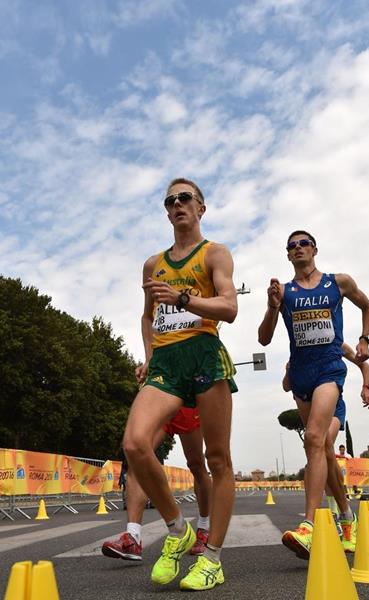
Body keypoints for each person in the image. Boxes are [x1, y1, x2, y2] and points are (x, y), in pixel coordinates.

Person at [123, 178, 238, 591]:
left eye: (184, 197)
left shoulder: (215, 253)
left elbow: (229, 307)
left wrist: (184, 299)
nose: (176, 205)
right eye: (169, 200)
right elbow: (146, 316)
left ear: (201, 207)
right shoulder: (152, 263)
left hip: (204, 354)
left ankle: (213, 559)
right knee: (136, 443)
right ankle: (178, 529)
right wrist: (150, 357)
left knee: (218, 459)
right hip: (167, 362)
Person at [258, 229, 369, 559]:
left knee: (313, 438)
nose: (298, 249)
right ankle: (346, 515)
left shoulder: (339, 282)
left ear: (315, 249)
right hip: (301, 374)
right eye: (291, 246)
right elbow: (264, 339)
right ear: (288, 255)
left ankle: (308, 526)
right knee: (321, 447)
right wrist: (271, 307)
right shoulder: (285, 291)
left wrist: (365, 339)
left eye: (303, 244)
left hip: (328, 368)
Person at [282, 341, 369, 550]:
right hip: (313, 406)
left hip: (334, 407)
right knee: (322, 455)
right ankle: (347, 516)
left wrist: (366, 387)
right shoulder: (300, 348)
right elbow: (286, 386)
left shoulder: (336, 343)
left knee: (323, 444)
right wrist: (289, 370)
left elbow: (364, 365)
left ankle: (311, 524)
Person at [102, 407, 211, 561]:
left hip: (186, 399)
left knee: (196, 464)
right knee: (136, 455)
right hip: (161, 395)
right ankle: (133, 537)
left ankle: (204, 528)